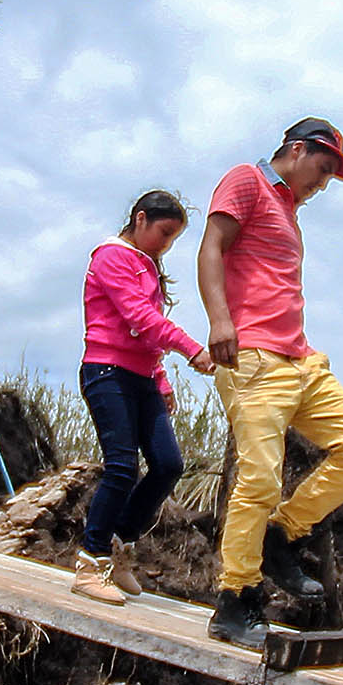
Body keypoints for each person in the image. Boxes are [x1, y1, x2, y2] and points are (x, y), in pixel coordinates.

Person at [196, 118, 343, 650]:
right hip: (253, 357)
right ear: (297, 151)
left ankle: (282, 534)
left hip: (301, 360)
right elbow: (212, 248)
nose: (322, 185)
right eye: (321, 170)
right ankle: (235, 602)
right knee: (257, 481)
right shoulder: (246, 181)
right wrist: (219, 320)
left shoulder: (290, 213)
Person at [69, 191, 216, 605]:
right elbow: (139, 318)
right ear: (140, 219)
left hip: (141, 378)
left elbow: (147, 335)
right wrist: (192, 349)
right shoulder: (111, 256)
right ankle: (90, 562)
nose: (166, 244)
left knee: (168, 464)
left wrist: (161, 381)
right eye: (164, 233)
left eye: (173, 238)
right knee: (121, 467)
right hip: (107, 372)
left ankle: (120, 549)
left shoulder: (146, 266)